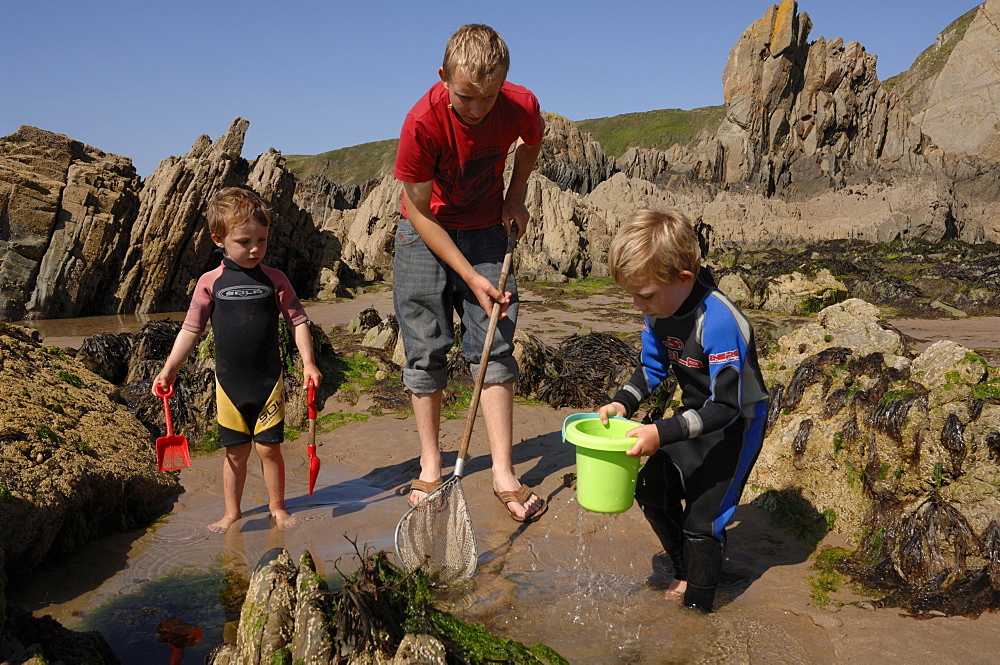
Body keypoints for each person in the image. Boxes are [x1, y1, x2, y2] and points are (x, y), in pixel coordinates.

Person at [392, 23, 547, 522]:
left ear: (504, 82)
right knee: (424, 347)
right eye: (465, 97)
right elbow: (419, 212)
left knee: (494, 341)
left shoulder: (520, 104)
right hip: (424, 233)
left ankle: (503, 470)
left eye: (488, 95)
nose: (477, 109)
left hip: (486, 230)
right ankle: (432, 464)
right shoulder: (421, 123)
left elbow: (529, 141)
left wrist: (515, 196)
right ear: (443, 78)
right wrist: (469, 276)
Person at [598, 209, 768, 612]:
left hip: (735, 425)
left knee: (702, 523)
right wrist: (623, 402)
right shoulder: (657, 312)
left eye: (645, 294)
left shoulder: (720, 321)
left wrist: (660, 433)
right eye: (632, 295)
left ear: (683, 279)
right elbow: (653, 367)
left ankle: (698, 612)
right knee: (651, 490)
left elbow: (726, 406)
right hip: (695, 416)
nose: (638, 304)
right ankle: (683, 569)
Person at [152, 186, 323, 534]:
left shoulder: (275, 280)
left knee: (270, 450)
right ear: (219, 238)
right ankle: (232, 512)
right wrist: (170, 369)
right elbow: (190, 330)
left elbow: (298, 322)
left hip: (268, 383)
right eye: (245, 241)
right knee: (234, 454)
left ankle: (277, 507)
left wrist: (308, 363)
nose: (255, 249)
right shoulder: (210, 282)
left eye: (261, 240)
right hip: (229, 386)